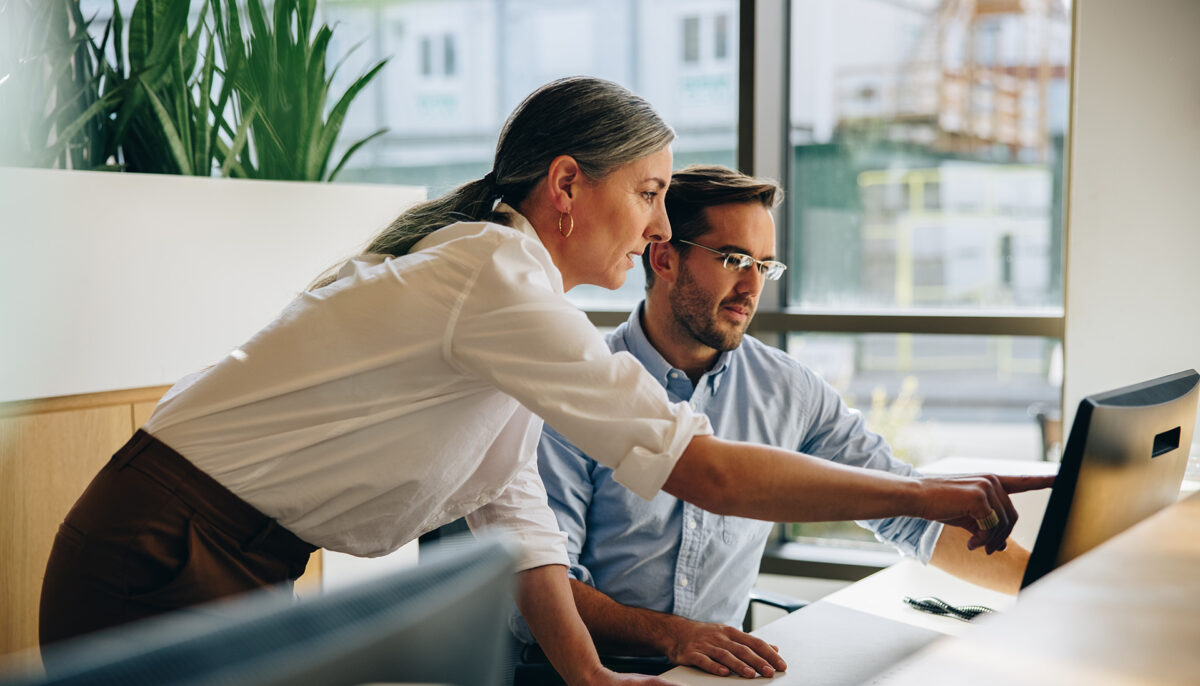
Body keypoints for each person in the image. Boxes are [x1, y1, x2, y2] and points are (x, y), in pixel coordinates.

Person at [39, 77, 1049, 686]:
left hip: (232, 552)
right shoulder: (491, 274)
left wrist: (589, 674)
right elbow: (709, 474)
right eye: (650, 193)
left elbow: (510, 508)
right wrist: (927, 492)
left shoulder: (510, 306)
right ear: (568, 185)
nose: (661, 227)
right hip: (163, 545)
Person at [510, 165, 1036, 680]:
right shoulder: (579, 387)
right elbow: (546, 579)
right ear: (665, 257)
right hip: (583, 668)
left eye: (765, 265)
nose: (751, 287)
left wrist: (1044, 583)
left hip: (716, 670)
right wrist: (676, 635)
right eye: (734, 259)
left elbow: (906, 511)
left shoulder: (787, 388)